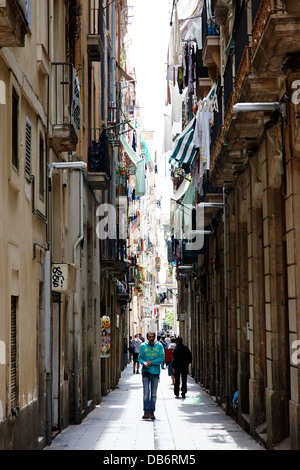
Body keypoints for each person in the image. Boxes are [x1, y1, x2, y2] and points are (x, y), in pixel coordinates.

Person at [138, 331, 165, 420]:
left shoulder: (159, 346)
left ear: (155, 337)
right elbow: (140, 357)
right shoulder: (143, 346)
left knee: (153, 394)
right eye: (149, 337)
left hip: (155, 373)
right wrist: (143, 362)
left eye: (153, 337)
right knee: (146, 392)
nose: (151, 338)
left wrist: (152, 362)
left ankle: (152, 412)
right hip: (145, 372)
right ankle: (146, 411)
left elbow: (162, 358)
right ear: (147, 337)